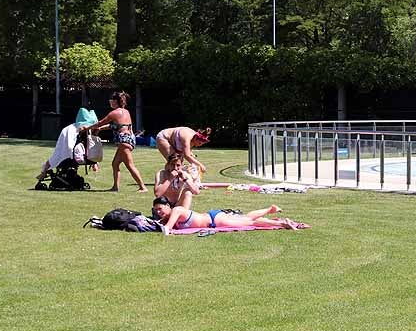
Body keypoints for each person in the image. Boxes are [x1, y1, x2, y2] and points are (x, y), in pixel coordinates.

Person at [90, 90, 147, 193]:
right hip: (129, 139)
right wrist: (101, 129)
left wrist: (87, 128)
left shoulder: (114, 113)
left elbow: (100, 122)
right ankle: (115, 187)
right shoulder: (125, 112)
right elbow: (116, 126)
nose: (110, 102)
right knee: (115, 164)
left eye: (111, 100)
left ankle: (143, 187)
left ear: (115, 101)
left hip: (124, 141)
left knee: (130, 165)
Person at [152, 197, 304, 230]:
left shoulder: (177, 210)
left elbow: (167, 229)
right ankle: (270, 209)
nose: (158, 212)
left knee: (249, 223)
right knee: (246, 218)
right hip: (213, 217)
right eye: (156, 210)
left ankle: (282, 224)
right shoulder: (169, 215)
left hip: (214, 220)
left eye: (160, 208)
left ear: (168, 206)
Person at [35, 108, 100, 184]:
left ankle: (44, 171)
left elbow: (67, 147)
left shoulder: (72, 129)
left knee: (53, 160)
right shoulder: (77, 131)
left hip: (71, 155)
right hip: (78, 155)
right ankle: (45, 170)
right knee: (53, 159)